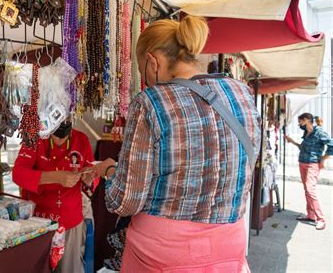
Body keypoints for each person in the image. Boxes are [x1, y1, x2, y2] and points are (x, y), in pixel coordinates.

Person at [93, 16, 261, 272]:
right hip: (230, 249)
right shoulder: (242, 93)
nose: (147, 82)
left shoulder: (150, 101)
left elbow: (125, 201)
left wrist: (108, 170)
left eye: (144, 73)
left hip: (164, 257)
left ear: (153, 62)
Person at [13, 120, 97, 272]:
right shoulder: (35, 139)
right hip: (39, 223)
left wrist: (89, 179)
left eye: (64, 139)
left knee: (68, 268)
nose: (59, 142)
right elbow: (18, 174)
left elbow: (92, 173)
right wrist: (54, 177)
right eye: (55, 138)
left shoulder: (82, 140)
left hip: (70, 220)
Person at [285, 113, 332, 230]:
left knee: (310, 190)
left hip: (312, 164)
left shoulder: (319, 132)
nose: (299, 124)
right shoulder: (306, 133)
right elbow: (303, 147)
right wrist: (292, 142)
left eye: (300, 122)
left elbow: (332, 145)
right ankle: (311, 215)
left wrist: (323, 159)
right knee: (307, 189)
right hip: (302, 163)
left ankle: (321, 219)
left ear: (306, 120)